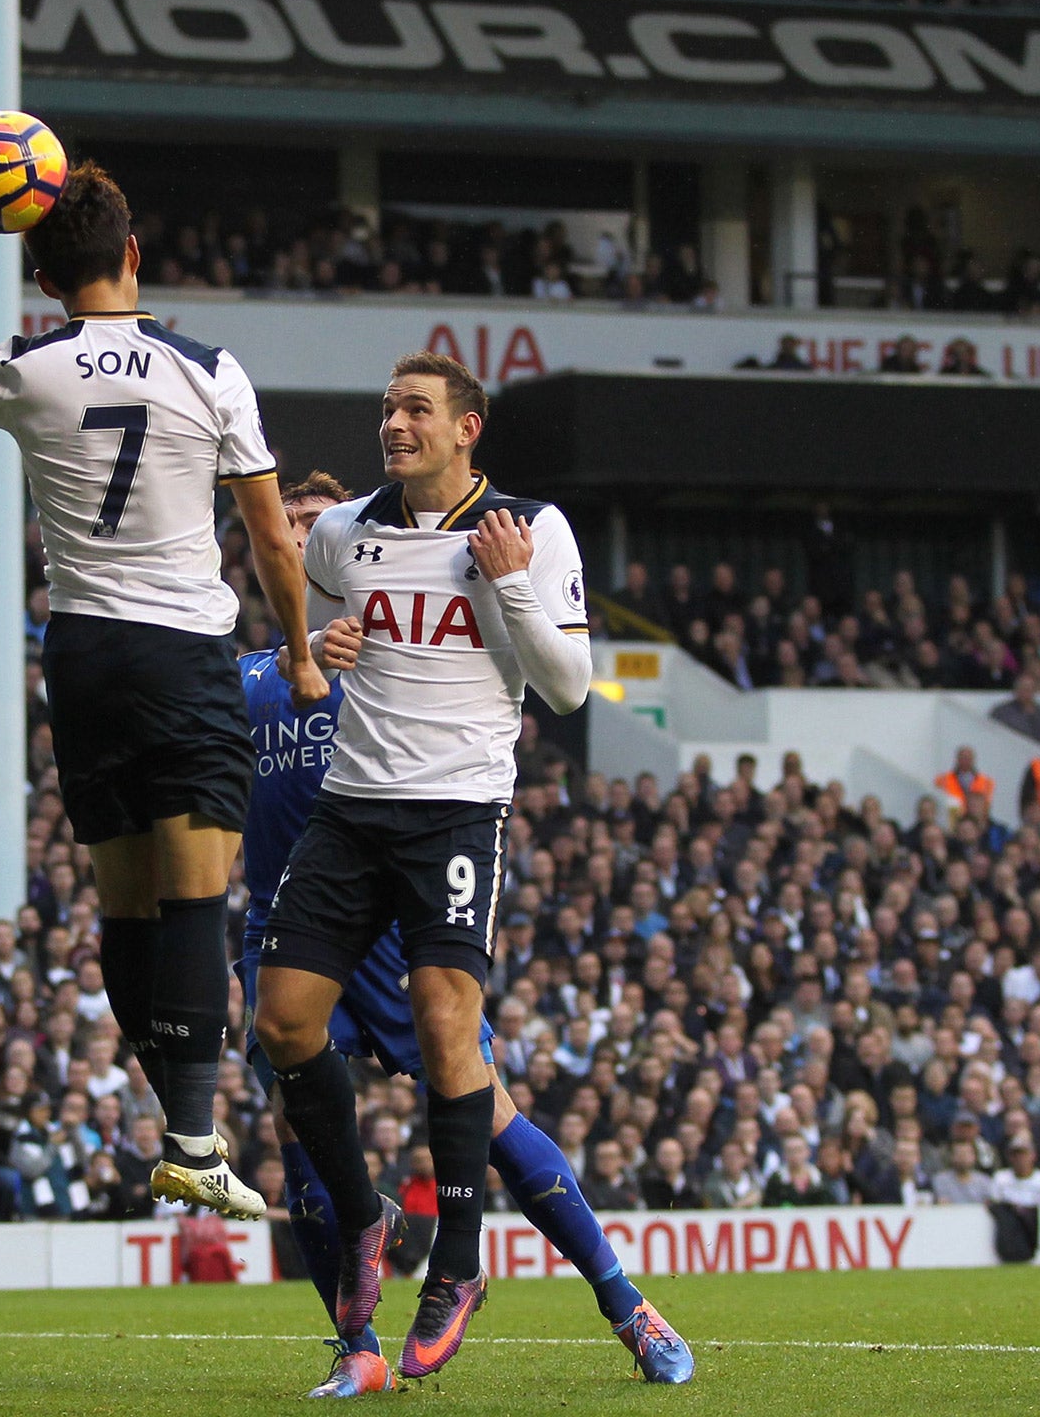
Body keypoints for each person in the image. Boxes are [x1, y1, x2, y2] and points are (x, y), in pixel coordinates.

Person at [0, 160, 324, 1220]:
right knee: (195, 895)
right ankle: (192, 1135)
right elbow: (270, 535)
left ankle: (175, 1114)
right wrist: (300, 652)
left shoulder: (19, 365)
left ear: (40, 277)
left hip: (80, 652)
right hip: (181, 651)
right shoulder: (207, 370)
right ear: (133, 255)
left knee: (124, 903)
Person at [234, 473, 689, 1398]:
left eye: (321, 530)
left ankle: (625, 1302)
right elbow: (229, 713)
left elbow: (526, 681)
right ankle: (356, 1345)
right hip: (292, 922)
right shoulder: (266, 674)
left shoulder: (395, 658)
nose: (317, 553)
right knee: (305, 1146)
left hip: (398, 923)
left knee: (491, 1115)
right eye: (297, 540)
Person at [252, 351, 595, 1385]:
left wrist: (506, 588)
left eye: (414, 410)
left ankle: (453, 1262)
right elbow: (306, 621)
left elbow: (569, 687)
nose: (392, 425)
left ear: (465, 428)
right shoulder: (342, 531)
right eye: (386, 410)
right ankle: (361, 1218)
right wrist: (322, 642)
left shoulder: (527, 532)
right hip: (350, 811)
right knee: (280, 1021)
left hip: (454, 810)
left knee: (449, 1020)